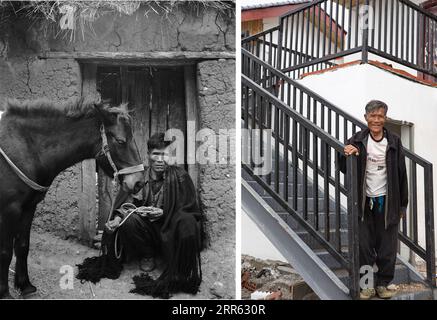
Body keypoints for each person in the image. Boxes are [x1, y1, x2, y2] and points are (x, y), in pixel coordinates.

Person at [77, 133, 205, 299]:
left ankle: (175, 261)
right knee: (128, 220)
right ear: (148, 155)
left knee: (185, 222)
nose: (160, 159)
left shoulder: (180, 177)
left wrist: (165, 213)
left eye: (164, 154)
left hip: (171, 233)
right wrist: (116, 220)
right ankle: (147, 254)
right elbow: (126, 205)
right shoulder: (139, 177)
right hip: (147, 232)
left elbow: (189, 210)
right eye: (156, 154)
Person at [340, 100, 408, 300]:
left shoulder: (394, 141)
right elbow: (344, 168)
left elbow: (402, 174)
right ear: (366, 118)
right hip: (364, 203)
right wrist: (347, 154)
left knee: (387, 248)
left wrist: (403, 204)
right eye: (373, 116)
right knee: (364, 247)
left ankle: (383, 284)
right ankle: (367, 286)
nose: (376, 120)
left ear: (385, 118)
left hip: (388, 202)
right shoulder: (357, 139)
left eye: (380, 116)